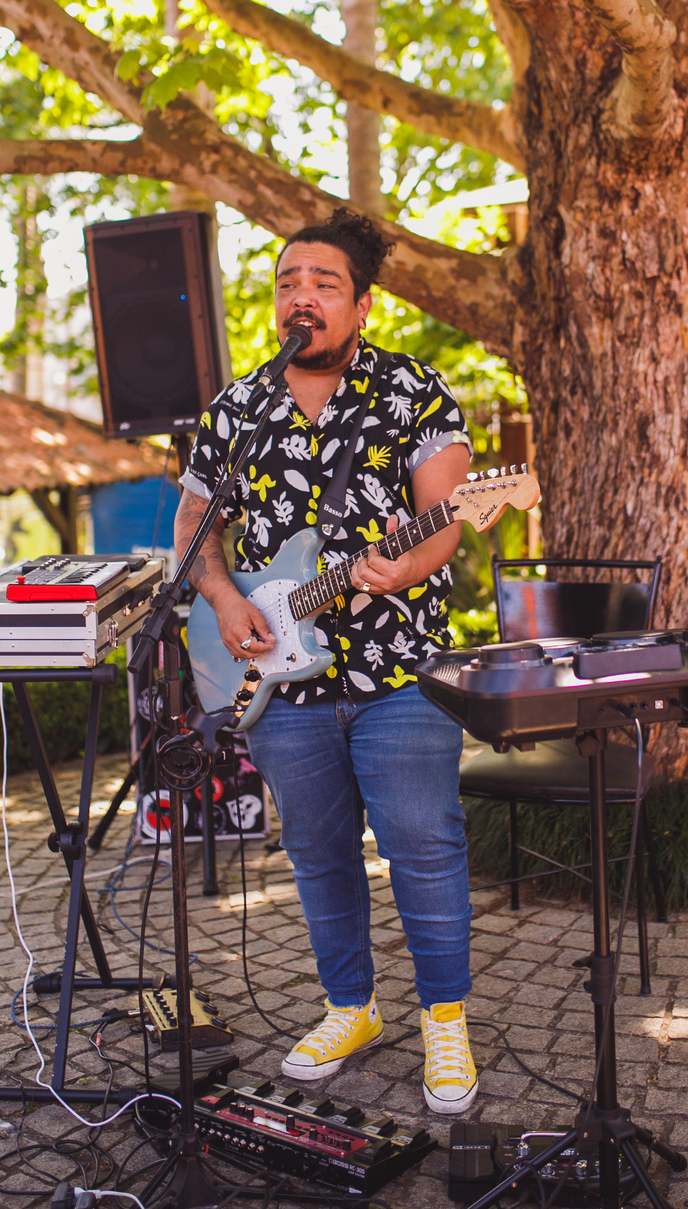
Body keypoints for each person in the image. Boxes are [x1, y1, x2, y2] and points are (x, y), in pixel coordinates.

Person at [174, 209, 478, 1113]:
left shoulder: (413, 390)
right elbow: (196, 525)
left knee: (424, 846)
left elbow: (451, 513)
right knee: (317, 851)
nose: (300, 296)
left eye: (323, 283)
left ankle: (446, 1024)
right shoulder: (239, 405)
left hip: (398, 672)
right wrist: (226, 602)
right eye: (287, 282)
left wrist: (407, 563)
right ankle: (351, 1007)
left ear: (361, 303)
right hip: (277, 678)